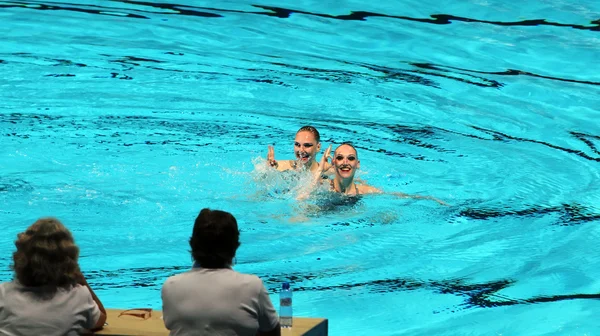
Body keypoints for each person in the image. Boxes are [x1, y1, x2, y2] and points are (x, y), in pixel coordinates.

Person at [161, 208, 280, 336]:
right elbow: (272, 331)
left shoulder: (171, 286)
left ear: (192, 244)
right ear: (235, 246)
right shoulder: (252, 286)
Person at [0, 218, 107, 336]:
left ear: (20, 257)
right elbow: (101, 319)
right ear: (69, 259)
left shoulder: (3, 294)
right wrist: (81, 280)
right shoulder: (79, 296)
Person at [309, 142, 448, 205]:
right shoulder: (323, 186)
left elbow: (396, 196)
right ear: (333, 163)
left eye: (351, 158)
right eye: (339, 158)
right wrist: (320, 170)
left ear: (357, 164)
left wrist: (430, 199)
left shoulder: (365, 191)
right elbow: (301, 200)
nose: (345, 162)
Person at [267, 125, 331, 174]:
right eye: (297, 145)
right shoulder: (280, 167)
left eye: (307, 145)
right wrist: (269, 170)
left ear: (318, 147)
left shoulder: (327, 172)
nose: (301, 150)